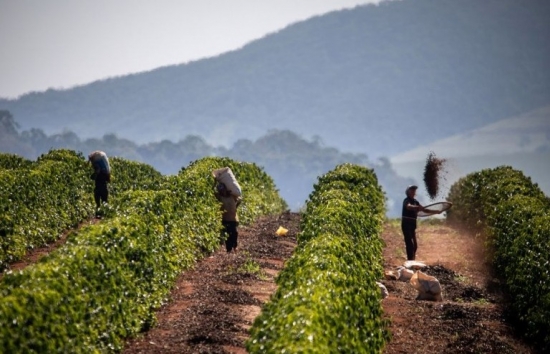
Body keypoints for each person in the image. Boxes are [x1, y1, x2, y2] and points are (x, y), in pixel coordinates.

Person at [401, 185, 440, 260]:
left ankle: (412, 260)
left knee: (415, 246)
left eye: (414, 190)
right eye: (411, 190)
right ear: (408, 192)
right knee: (410, 244)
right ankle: (410, 262)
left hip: (412, 226)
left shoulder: (416, 202)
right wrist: (417, 208)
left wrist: (436, 212)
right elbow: (408, 206)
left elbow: (424, 210)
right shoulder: (406, 200)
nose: (413, 192)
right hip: (406, 225)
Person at [215, 182, 241, 253]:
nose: (222, 192)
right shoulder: (220, 197)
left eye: (223, 190)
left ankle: (235, 246)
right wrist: (215, 183)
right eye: (221, 191)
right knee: (228, 234)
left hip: (234, 218)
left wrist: (235, 207)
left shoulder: (232, 196)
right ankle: (229, 250)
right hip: (225, 218)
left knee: (235, 233)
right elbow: (212, 192)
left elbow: (240, 199)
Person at [88, 151, 111, 218]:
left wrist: (95, 173)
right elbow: (108, 179)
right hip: (103, 188)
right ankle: (102, 214)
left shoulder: (98, 172)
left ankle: (99, 214)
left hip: (99, 188)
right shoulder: (104, 172)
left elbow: (93, 177)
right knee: (104, 202)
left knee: (99, 203)